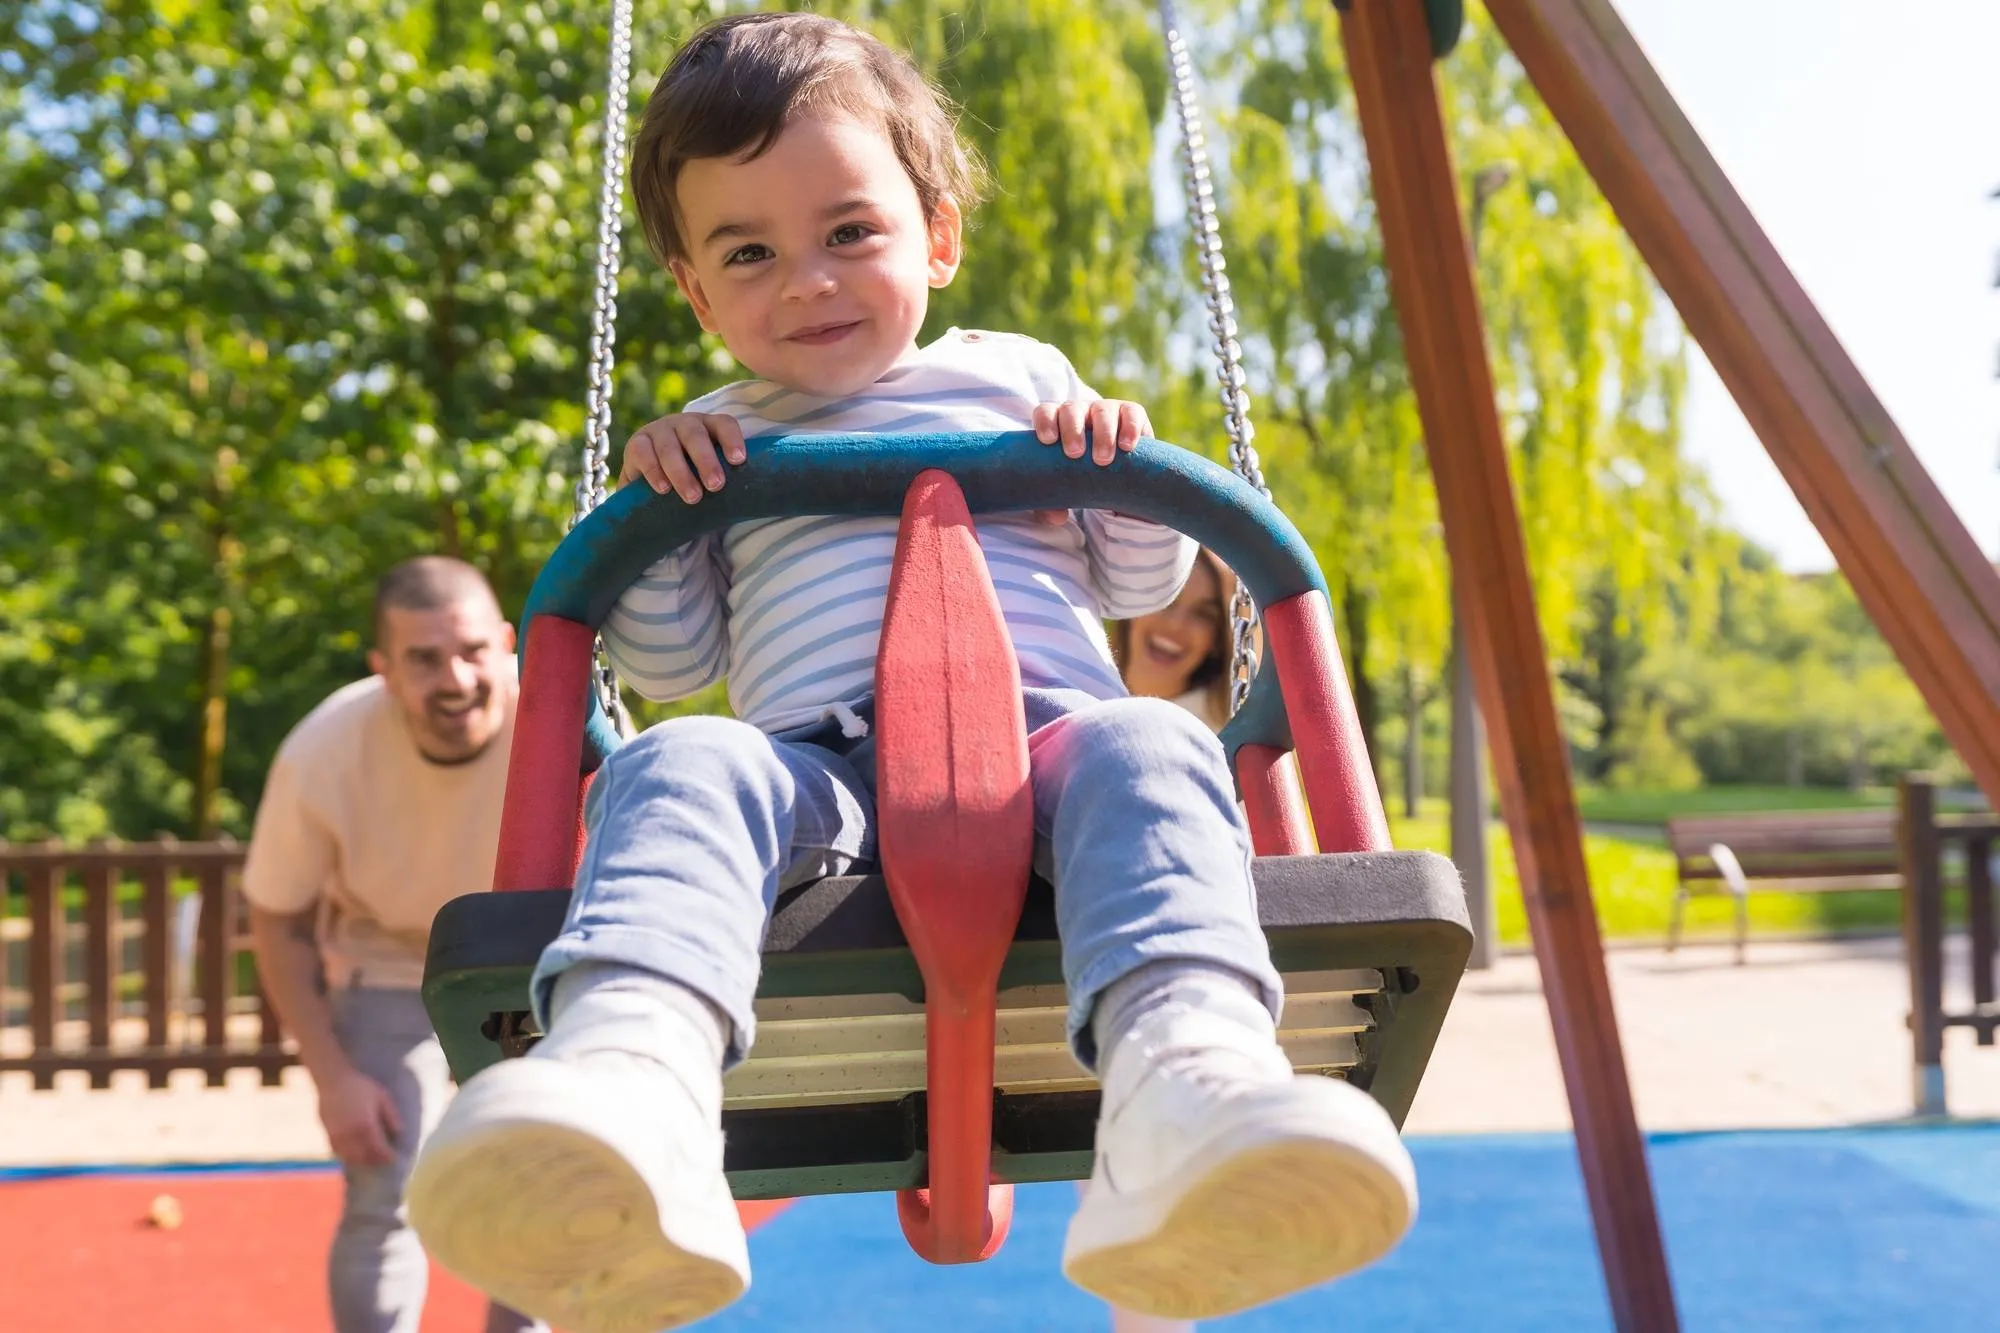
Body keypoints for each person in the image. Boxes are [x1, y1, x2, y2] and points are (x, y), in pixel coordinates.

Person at [405, 14, 1418, 1332]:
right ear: (698, 292)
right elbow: (670, 662)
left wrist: (1116, 460)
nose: (807, 280)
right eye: (750, 254)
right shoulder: (713, 436)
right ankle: (635, 1087)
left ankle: (1187, 1084)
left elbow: (1141, 585)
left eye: (850, 232)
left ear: (937, 235)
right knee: (677, 757)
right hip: (814, 784)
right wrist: (649, 510)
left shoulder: (1019, 380)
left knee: (1157, 746)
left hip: (1052, 751)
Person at [243, 557, 544, 1333]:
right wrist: (333, 1076)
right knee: (385, 1185)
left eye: (474, 650)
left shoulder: (562, 711)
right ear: (382, 669)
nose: (455, 678)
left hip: (519, 960)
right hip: (386, 958)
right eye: (422, 658)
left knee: (539, 1179)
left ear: (507, 643)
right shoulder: (325, 750)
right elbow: (276, 916)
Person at [1109, 546, 1236, 732]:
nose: (1176, 625)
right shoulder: (1072, 686)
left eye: (1203, 614)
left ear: (1217, 641)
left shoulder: (1224, 736)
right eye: (1167, 599)